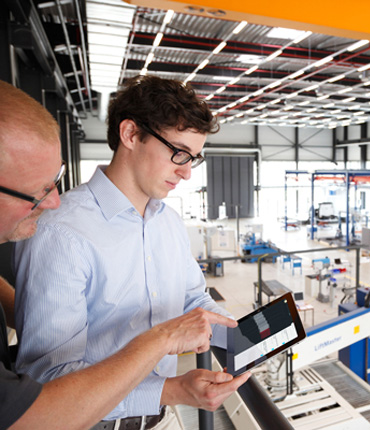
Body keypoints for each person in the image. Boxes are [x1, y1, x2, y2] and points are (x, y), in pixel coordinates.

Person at [11, 76, 250, 430]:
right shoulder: (62, 231)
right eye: (179, 153)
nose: (185, 172)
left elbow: (193, 298)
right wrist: (169, 390)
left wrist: (242, 338)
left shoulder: (167, 222)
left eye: (193, 159)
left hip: (162, 420)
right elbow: (50, 380)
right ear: (131, 135)